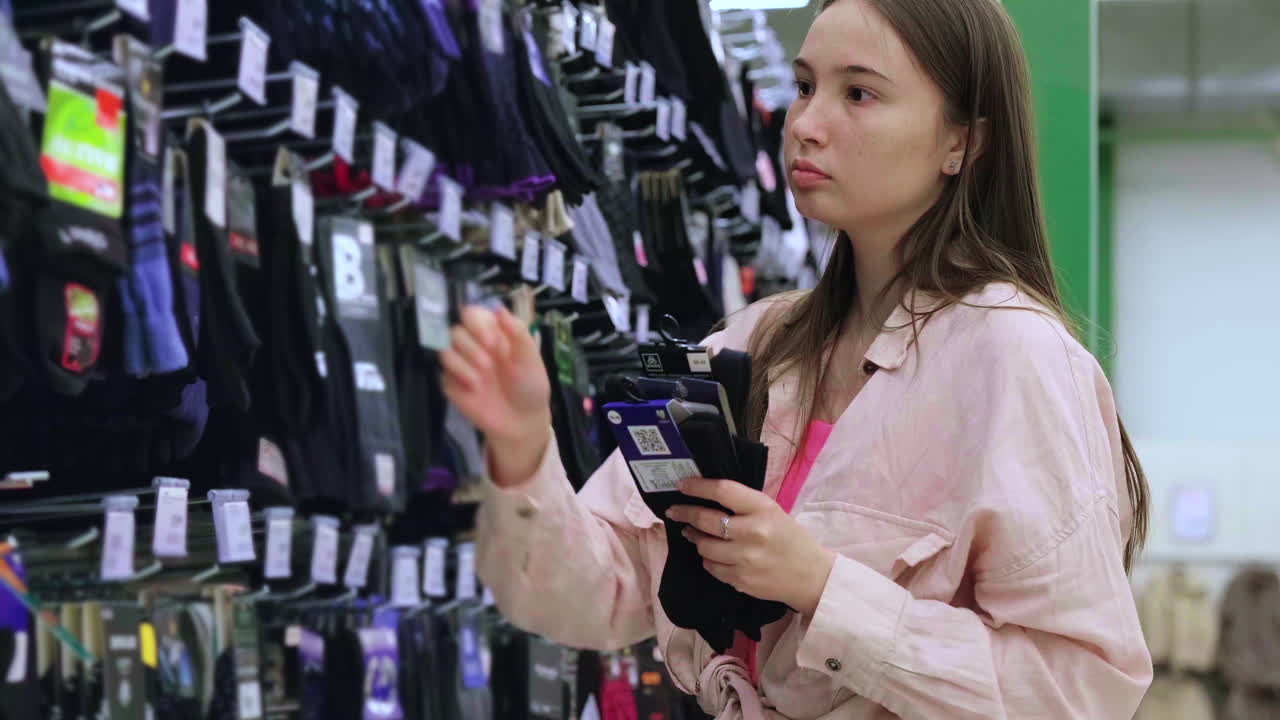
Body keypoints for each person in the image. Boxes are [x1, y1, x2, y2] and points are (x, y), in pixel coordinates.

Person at [439, 0, 1155, 718]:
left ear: (962, 143)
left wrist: (821, 586)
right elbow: (596, 595)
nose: (806, 124)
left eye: (859, 93)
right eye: (806, 85)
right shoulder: (754, 344)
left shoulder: (1013, 357)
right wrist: (524, 449)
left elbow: (1081, 691)